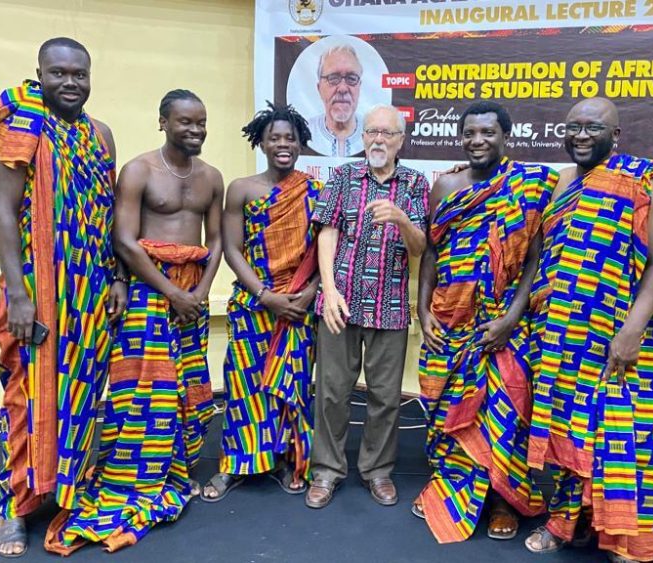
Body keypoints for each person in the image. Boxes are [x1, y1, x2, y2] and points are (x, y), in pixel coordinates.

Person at [45, 89, 224, 554]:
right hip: (150, 291)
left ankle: (173, 471)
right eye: (185, 122)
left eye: (201, 122)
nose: (196, 130)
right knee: (143, 389)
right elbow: (124, 240)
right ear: (162, 122)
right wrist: (172, 293)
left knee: (187, 388)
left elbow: (218, 239)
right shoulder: (139, 171)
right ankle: (132, 476)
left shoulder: (212, 177)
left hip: (192, 295)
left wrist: (200, 294)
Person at [0, 37, 123, 558]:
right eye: (59, 72)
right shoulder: (20, 128)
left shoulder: (100, 137)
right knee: (27, 396)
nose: (71, 82)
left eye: (79, 74)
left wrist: (117, 278)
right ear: (39, 74)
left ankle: (68, 492)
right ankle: (14, 507)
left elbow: (108, 215)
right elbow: (2, 213)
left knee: (82, 398)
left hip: (88, 294)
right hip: (37, 295)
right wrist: (18, 295)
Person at [524, 98, 653, 563]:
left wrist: (631, 332)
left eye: (593, 127)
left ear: (617, 134)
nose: (581, 135)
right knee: (571, 432)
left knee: (619, 434)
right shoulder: (560, 182)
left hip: (621, 336)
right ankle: (566, 522)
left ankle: (622, 535)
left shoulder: (641, 179)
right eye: (572, 127)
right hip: (565, 338)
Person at [412, 101, 556, 543]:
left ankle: (500, 500)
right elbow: (432, 252)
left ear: (505, 137)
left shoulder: (531, 186)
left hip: (501, 325)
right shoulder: (445, 186)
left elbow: (535, 256)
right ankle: (451, 485)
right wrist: (422, 311)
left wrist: (512, 318)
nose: (478, 141)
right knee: (445, 408)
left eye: (487, 133)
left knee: (503, 413)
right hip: (449, 318)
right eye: (470, 133)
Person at [305, 104, 429, 509]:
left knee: (385, 396)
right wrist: (330, 290)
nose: (378, 139)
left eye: (387, 134)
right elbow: (327, 233)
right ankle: (326, 470)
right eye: (371, 132)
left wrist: (402, 220)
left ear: (400, 141)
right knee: (331, 393)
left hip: (390, 306)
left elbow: (420, 248)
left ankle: (377, 471)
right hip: (340, 304)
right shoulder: (342, 176)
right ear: (362, 137)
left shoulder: (414, 183)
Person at [200, 102, 322, 502]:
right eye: (275, 138)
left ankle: (289, 458)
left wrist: (308, 293)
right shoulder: (241, 189)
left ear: (301, 142)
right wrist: (265, 296)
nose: (283, 144)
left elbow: (326, 252)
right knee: (244, 384)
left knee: (293, 385)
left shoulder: (316, 190)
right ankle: (235, 464)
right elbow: (232, 250)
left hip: (299, 307)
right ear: (262, 143)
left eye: (290, 138)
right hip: (255, 303)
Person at [306, 44, 364, 157]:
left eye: (351, 78)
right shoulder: (301, 134)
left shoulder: (375, 134)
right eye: (333, 78)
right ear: (319, 88)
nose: (342, 89)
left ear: (359, 87)